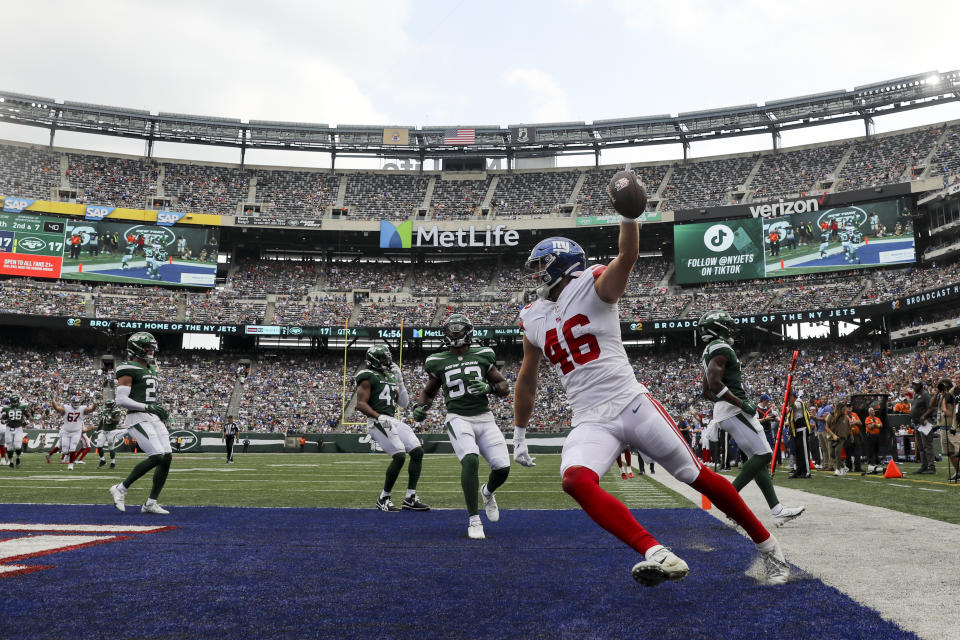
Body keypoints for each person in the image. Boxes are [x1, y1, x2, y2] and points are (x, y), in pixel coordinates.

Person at [513, 226, 789, 587]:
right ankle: (656, 552)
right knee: (575, 480)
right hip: (588, 418)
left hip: (631, 403)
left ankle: (770, 549)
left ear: (562, 265)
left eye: (542, 266)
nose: (536, 275)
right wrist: (519, 432)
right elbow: (527, 378)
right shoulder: (532, 316)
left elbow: (626, 258)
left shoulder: (592, 283)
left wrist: (630, 216)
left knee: (697, 476)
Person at [699, 310, 804, 527]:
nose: (731, 329)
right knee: (764, 455)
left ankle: (777, 510)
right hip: (735, 410)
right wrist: (740, 403)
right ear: (718, 328)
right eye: (727, 325)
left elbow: (706, 391)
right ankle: (729, 501)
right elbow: (716, 384)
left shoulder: (708, 351)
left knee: (758, 463)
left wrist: (724, 405)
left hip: (726, 410)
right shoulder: (720, 348)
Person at [413, 314, 511, 539]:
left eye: (458, 329)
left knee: (503, 469)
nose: (454, 333)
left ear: (468, 332)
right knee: (470, 459)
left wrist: (489, 389)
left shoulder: (483, 354)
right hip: (458, 417)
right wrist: (421, 407)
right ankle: (474, 520)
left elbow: (503, 386)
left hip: (485, 418)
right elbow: (429, 392)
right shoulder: (437, 360)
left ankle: (487, 492)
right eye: (451, 329)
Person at [355, 345, 429, 513]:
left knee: (417, 452)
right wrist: (378, 416)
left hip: (392, 420)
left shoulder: (389, 376)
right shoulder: (367, 376)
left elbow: (403, 403)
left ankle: (410, 497)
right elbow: (360, 404)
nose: (387, 361)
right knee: (400, 455)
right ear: (374, 359)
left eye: (387, 357)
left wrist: (400, 380)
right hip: (377, 420)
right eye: (383, 358)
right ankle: (384, 498)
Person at [108, 332, 174, 514]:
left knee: (167, 456)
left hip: (152, 416)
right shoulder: (128, 367)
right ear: (137, 348)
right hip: (137, 417)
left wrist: (153, 408)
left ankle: (151, 503)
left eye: (152, 346)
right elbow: (121, 400)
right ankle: (120, 488)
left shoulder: (151, 368)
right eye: (147, 347)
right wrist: (148, 407)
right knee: (157, 455)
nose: (151, 350)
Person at [51, 392, 96, 471]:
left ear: (79, 403)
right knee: (65, 450)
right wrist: (53, 400)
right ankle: (66, 458)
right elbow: (57, 408)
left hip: (76, 432)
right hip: (66, 431)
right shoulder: (66, 408)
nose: (76, 404)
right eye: (74, 402)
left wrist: (95, 402)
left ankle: (71, 464)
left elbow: (92, 409)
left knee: (72, 448)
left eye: (77, 402)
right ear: (71, 402)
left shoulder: (82, 408)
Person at [910, 381, 936, 474]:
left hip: (924, 423)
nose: (913, 386)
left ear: (920, 385)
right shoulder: (915, 395)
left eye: (915, 384)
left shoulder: (925, 394)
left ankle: (931, 467)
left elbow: (932, 408)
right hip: (917, 424)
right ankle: (924, 466)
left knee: (927, 445)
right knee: (920, 447)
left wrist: (924, 416)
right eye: (913, 384)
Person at [785, 391, 812, 478]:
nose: (787, 400)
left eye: (789, 397)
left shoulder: (799, 402)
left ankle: (807, 472)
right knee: (798, 452)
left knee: (804, 451)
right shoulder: (795, 403)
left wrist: (790, 393)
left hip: (802, 429)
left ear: (793, 396)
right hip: (796, 431)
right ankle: (799, 470)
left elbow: (792, 405)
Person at [2, 394, 31, 468]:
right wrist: (4, 421)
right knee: (9, 447)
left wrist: (27, 421)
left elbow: (29, 416)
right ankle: (11, 462)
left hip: (18, 428)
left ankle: (18, 458)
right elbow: (2, 418)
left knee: (18, 446)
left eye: (15, 401)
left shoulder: (22, 407)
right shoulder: (6, 408)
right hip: (9, 428)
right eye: (13, 401)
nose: (14, 402)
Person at [95, 401, 125, 469]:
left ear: (113, 405)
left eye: (109, 405)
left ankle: (113, 462)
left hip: (112, 432)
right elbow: (101, 421)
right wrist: (97, 430)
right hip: (104, 431)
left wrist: (111, 419)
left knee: (111, 448)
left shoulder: (116, 411)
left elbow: (117, 421)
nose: (107, 406)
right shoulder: (104, 411)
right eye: (107, 404)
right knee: (99, 446)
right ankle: (102, 460)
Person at [825, 403, 851, 476]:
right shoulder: (831, 415)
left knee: (837, 452)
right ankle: (844, 467)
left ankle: (838, 469)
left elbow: (848, 428)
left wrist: (850, 436)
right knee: (832, 454)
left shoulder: (845, 417)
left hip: (841, 438)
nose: (845, 410)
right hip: (831, 437)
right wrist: (833, 435)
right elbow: (826, 427)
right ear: (840, 409)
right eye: (844, 409)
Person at [815, 398, 835, 471]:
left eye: (825, 399)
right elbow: (818, 418)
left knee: (828, 448)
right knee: (824, 449)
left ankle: (831, 465)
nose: (823, 400)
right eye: (822, 399)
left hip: (825, 429)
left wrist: (815, 417)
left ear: (827, 400)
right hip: (820, 429)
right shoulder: (820, 408)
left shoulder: (828, 407)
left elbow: (825, 418)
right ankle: (826, 464)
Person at [864, 407, 884, 474]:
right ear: (869, 412)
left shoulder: (877, 418)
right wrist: (875, 425)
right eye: (872, 411)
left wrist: (874, 425)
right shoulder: (867, 418)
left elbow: (881, 425)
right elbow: (870, 427)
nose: (873, 411)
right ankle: (870, 462)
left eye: (873, 410)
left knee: (877, 449)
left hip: (877, 435)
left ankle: (876, 462)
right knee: (871, 449)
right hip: (870, 436)